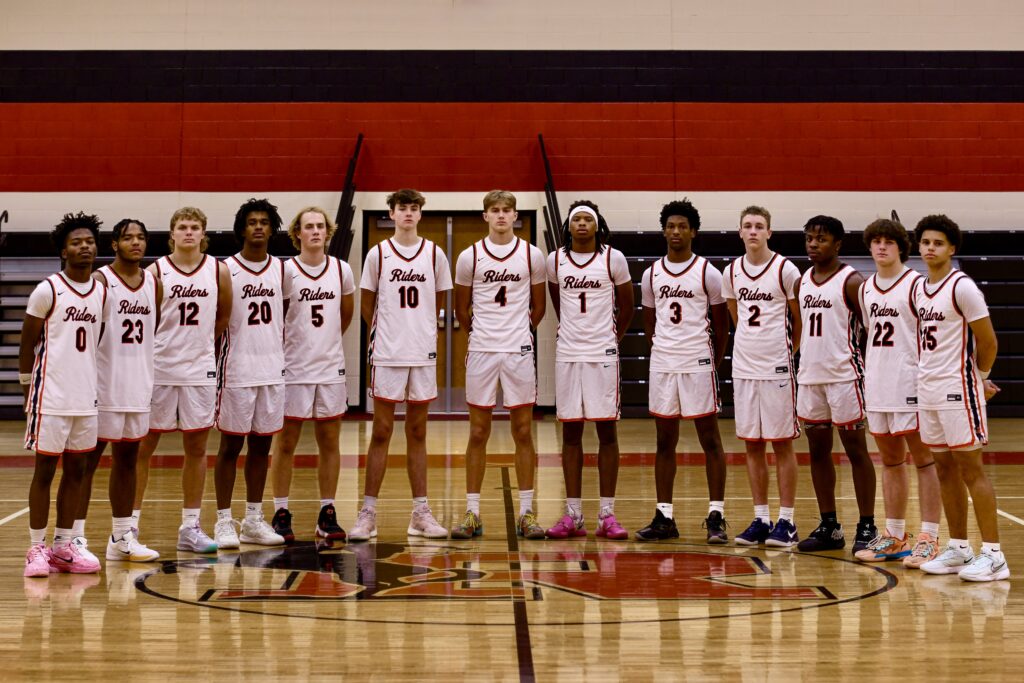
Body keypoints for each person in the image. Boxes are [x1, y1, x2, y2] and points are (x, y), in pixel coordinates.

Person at [348, 189, 454, 541]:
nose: (408, 213)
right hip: (388, 353)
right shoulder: (378, 253)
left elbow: (438, 302)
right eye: (401, 208)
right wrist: (388, 333)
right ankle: (368, 513)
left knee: (418, 432)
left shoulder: (435, 253)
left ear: (420, 214)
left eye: (413, 208)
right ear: (391, 214)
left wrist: (420, 332)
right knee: (381, 431)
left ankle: (420, 513)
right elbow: (367, 304)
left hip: (421, 353)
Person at [910, 215, 1008, 581]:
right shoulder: (919, 289)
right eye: (925, 242)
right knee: (944, 469)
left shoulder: (962, 287)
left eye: (938, 243)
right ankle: (959, 548)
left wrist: (979, 378)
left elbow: (989, 341)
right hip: (928, 390)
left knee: (971, 469)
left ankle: (994, 556)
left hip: (958, 389)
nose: (930, 248)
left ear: (951, 248)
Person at [134, 207, 232, 553]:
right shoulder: (155, 272)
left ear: (203, 233)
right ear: (172, 234)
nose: (188, 232)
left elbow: (223, 318)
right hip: (159, 367)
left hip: (199, 369)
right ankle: (129, 527)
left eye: (194, 227)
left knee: (197, 448)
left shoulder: (218, 271)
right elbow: (145, 320)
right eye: (182, 227)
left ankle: (190, 526)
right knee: (143, 446)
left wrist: (199, 346)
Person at [452, 190, 547, 540]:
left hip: (518, 350)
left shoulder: (532, 254)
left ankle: (527, 513)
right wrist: (482, 335)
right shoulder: (469, 256)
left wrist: (518, 333)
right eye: (495, 210)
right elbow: (461, 309)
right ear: (486, 216)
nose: (502, 215)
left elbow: (539, 307)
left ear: (516, 215)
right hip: (482, 350)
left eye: (507, 210)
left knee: (523, 431)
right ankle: (472, 512)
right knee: (478, 432)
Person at [635, 199, 730, 543]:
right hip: (664, 363)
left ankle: (716, 516)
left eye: (682, 226)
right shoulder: (651, 273)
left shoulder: (708, 272)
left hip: (697, 362)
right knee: (664, 441)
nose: (676, 231)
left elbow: (722, 325)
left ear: (693, 232)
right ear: (664, 231)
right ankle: (664, 517)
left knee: (710, 439)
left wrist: (712, 361)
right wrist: (662, 349)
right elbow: (649, 321)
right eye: (670, 226)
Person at [20, 212, 107, 576]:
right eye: (76, 243)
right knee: (44, 471)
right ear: (63, 251)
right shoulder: (48, 290)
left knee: (78, 471)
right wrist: (28, 387)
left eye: (89, 242)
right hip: (51, 397)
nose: (84, 247)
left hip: (85, 397)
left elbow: (98, 338)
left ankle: (63, 546)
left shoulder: (101, 290)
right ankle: (36, 548)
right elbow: (27, 341)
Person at [544, 200, 634, 540]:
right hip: (569, 352)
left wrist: (610, 338)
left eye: (587, 219)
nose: (582, 224)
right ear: (569, 226)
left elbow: (627, 306)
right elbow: (558, 302)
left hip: (602, 353)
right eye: (576, 219)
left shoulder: (614, 258)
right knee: (571, 433)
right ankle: (573, 514)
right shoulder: (555, 260)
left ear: (598, 225)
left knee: (607, 431)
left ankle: (607, 514)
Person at [854, 218, 942, 566]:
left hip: (911, 384)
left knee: (925, 461)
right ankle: (895, 536)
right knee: (890, 462)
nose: (881, 246)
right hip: (878, 384)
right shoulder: (865, 289)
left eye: (888, 241)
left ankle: (929, 538)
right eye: (876, 240)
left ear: (901, 248)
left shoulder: (917, 286)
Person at [792, 215, 878, 553]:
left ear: (838, 244)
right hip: (811, 377)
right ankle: (830, 526)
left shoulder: (852, 281)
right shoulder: (801, 282)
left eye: (822, 239)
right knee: (817, 452)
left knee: (856, 451)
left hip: (845, 376)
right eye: (809, 238)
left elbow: (871, 331)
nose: (814, 244)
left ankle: (867, 525)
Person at [78, 219, 162, 562]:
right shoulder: (101, 281)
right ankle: (74, 538)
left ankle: (121, 537)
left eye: (141, 237)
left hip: (138, 384)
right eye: (128, 238)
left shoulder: (153, 283)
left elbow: (153, 328)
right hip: (104, 385)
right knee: (86, 464)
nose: (135, 243)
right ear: (114, 244)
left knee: (128, 460)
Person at [270, 207, 355, 542]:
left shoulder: (341, 269)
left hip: (330, 367)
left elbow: (345, 315)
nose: (316, 231)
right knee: (286, 442)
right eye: (309, 227)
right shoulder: (286, 271)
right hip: (294, 367)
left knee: (330, 441)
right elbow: (279, 318)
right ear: (298, 233)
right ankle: (280, 511)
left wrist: (325, 345)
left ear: (328, 232)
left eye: (321, 226)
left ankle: (327, 512)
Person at [721, 206, 802, 548]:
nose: (753, 231)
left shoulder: (786, 269)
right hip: (744, 366)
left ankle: (787, 521)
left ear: (769, 232)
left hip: (776, 366)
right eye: (747, 226)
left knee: (782, 443)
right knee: (752, 444)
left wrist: (788, 352)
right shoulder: (731, 271)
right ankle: (761, 518)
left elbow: (798, 319)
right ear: (740, 232)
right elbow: (735, 315)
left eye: (759, 226)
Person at [212, 198, 288, 548]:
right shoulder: (225, 269)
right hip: (236, 369)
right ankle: (223, 520)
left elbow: (286, 313)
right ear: (242, 229)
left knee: (262, 447)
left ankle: (254, 520)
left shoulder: (283, 270)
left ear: (272, 229)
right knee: (230, 446)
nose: (258, 227)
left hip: (271, 369)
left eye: (264, 222)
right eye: (252, 222)